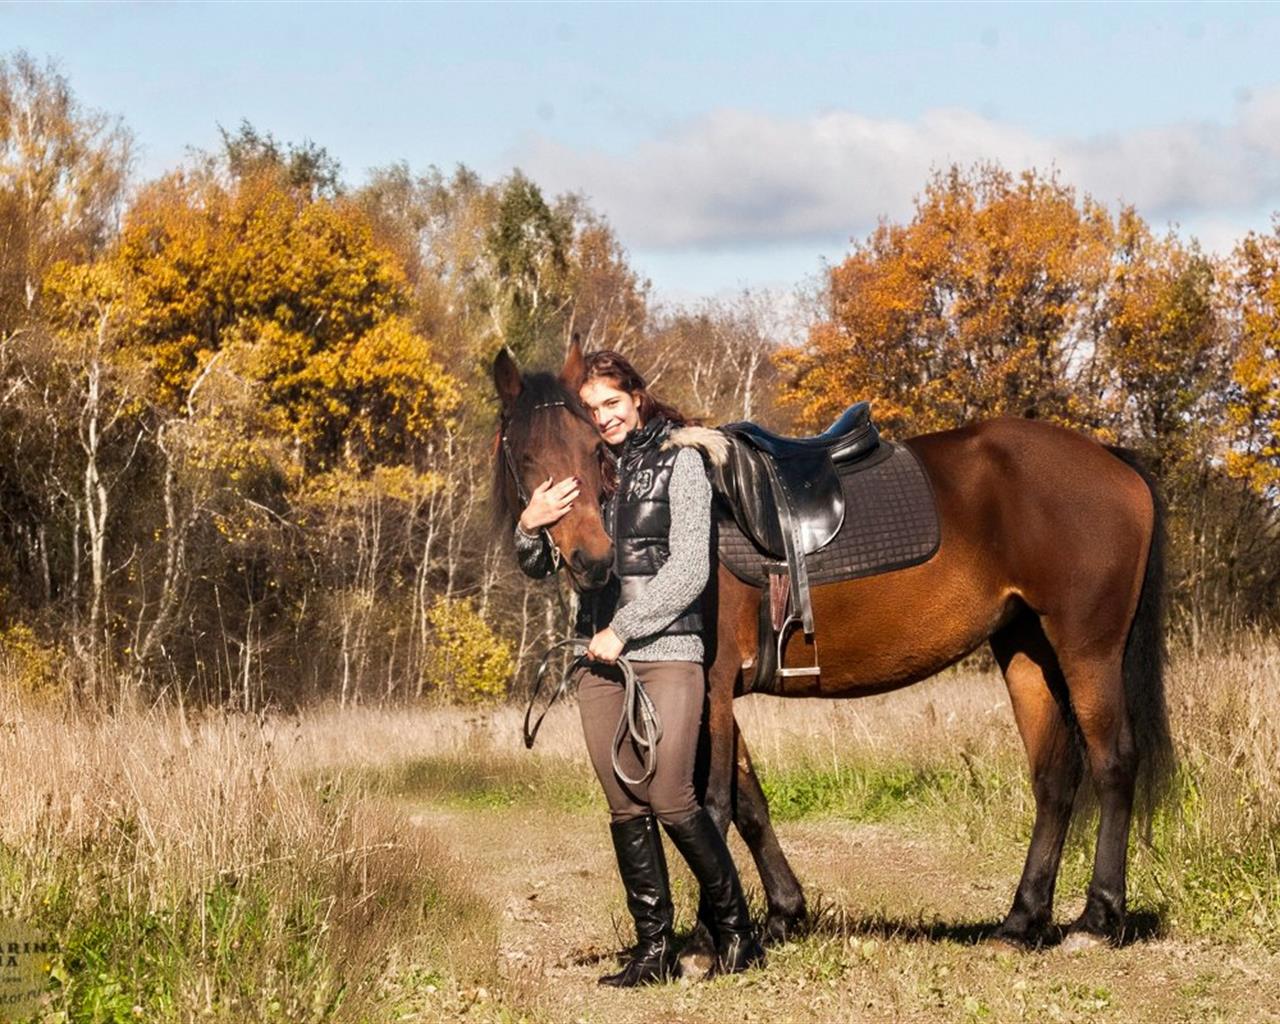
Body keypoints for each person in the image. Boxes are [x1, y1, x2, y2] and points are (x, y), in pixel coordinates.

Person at [513, 349, 764, 986]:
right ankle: (653, 948)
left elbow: (689, 570)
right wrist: (529, 524)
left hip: (667, 652)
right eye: (592, 408)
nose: (603, 418)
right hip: (596, 663)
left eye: (612, 404)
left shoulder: (681, 462)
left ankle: (738, 931)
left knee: (672, 796)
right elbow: (548, 565)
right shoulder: (589, 469)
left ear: (637, 397)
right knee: (625, 805)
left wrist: (623, 629)